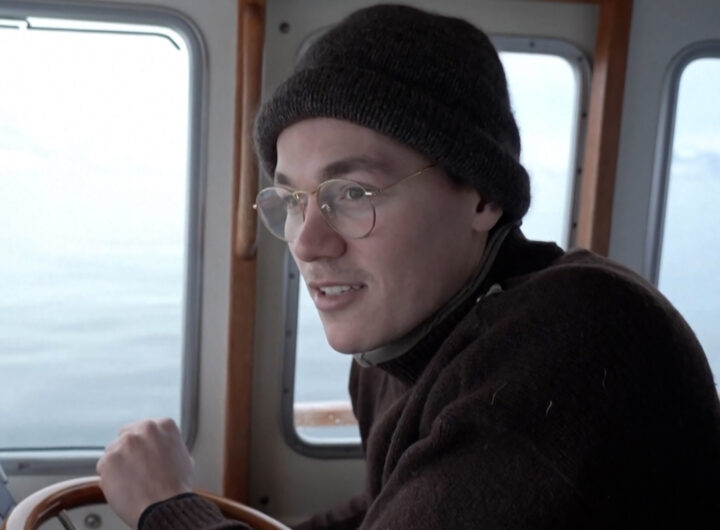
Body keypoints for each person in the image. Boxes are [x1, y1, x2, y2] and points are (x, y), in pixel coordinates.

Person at [97, 4, 720, 529]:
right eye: (292, 199)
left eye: (352, 193)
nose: (307, 243)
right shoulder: (400, 345)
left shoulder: (575, 345)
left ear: (483, 196)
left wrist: (167, 509)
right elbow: (401, 505)